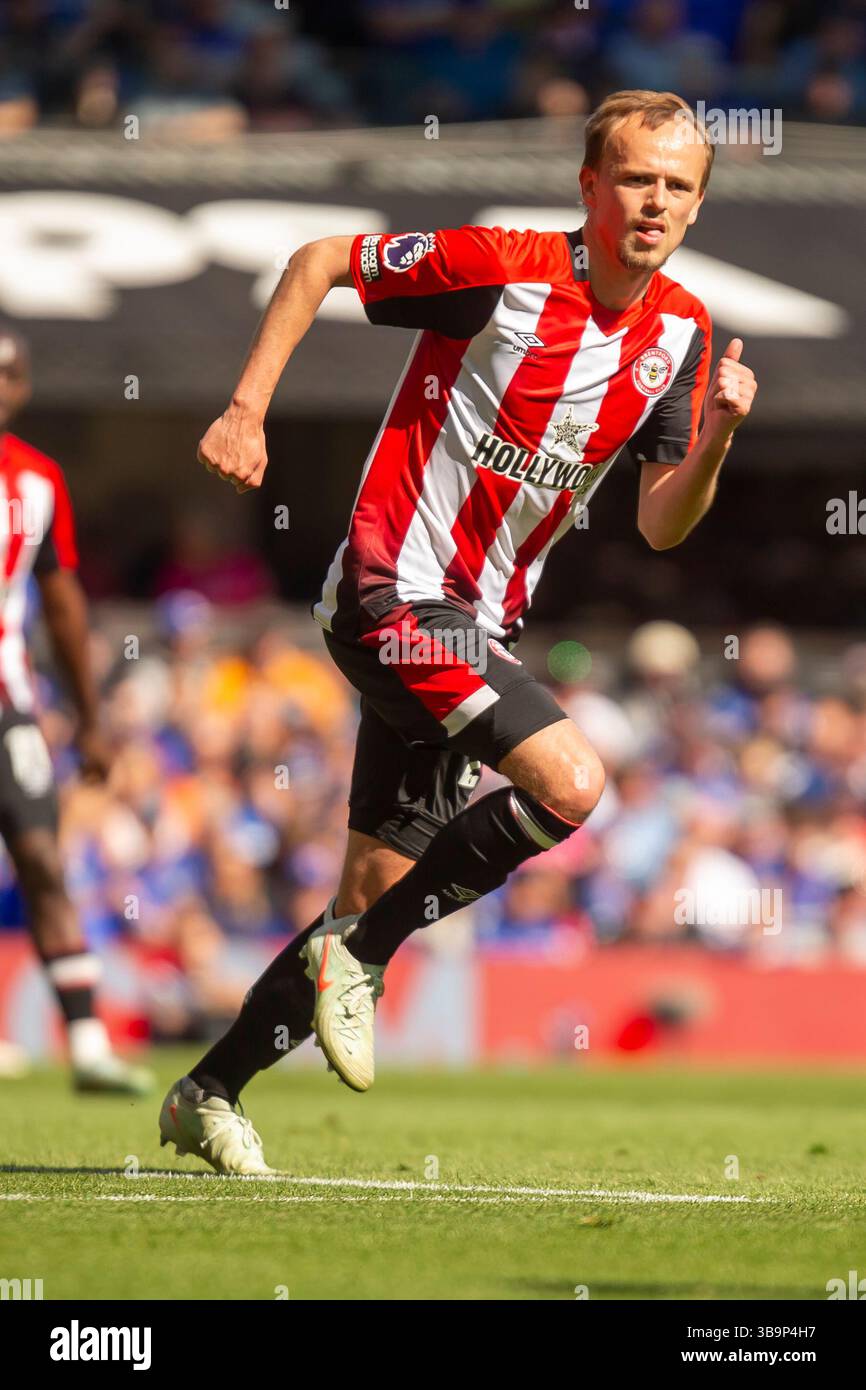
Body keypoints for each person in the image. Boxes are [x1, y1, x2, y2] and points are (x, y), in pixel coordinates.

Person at [160, 90, 757, 1174]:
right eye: (633, 177)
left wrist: (713, 437)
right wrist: (246, 409)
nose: (653, 200)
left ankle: (209, 1088)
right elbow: (316, 259)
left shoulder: (678, 331)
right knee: (570, 782)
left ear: (697, 206)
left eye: (675, 186)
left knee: (372, 891)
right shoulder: (502, 264)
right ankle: (363, 961)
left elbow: (662, 520)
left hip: (479, 623)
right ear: (589, 186)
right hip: (391, 591)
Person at [0, 328, 152, 1094]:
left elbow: (61, 606)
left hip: (9, 705)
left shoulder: (37, 481)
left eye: (10, 373)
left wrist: (89, 718)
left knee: (41, 860)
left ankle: (87, 1045)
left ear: (23, 388)